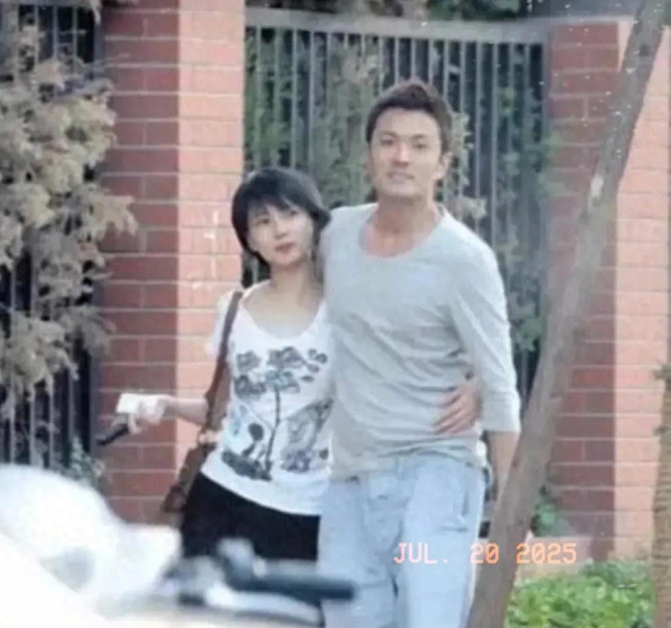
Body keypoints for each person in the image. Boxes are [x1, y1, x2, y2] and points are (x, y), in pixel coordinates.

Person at [122, 166, 480, 564]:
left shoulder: (348, 313)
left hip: (307, 513)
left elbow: (420, 361)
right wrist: (166, 405)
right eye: (263, 221)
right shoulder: (235, 309)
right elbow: (224, 411)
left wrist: (478, 385)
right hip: (220, 500)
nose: (279, 230)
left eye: (290, 214)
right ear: (250, 240)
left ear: (313, 220)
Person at [316, 80, 522, 628]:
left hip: (436, 474)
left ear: (442, 164)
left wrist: (512, 515)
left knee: (430, 617)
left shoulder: (463, 260)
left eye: (418, 144)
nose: (401, 156)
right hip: (349, 479)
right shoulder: (335, 234)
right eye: (387, 142)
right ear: (369, 155)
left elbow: (500, 382)